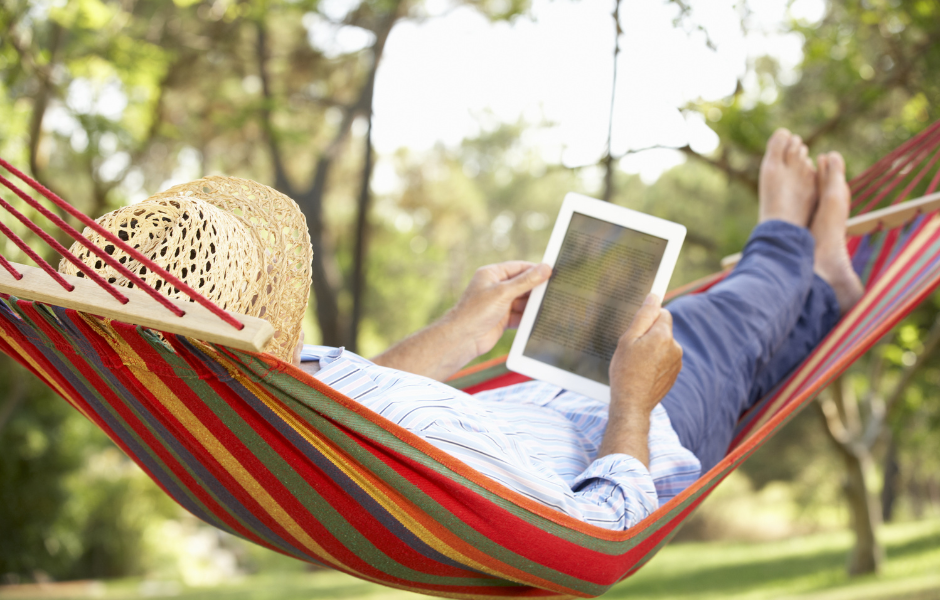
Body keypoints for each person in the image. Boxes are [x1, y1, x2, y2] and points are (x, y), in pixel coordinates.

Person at [66, 129, 863, 531]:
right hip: (638, 429)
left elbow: (363, 410)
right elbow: (602, 532)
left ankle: (826, 288)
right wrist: (631, 399)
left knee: (743, 355)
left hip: (549, 396)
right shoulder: (277, 418)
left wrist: (461, 331)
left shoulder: (268, 408)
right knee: (712, 320)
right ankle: (788, 242)